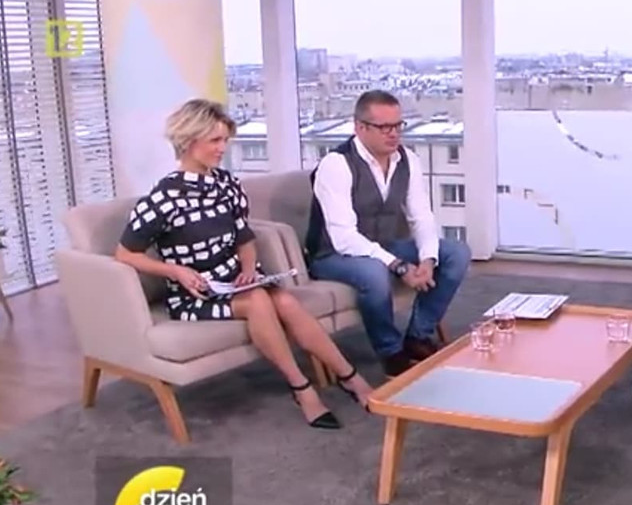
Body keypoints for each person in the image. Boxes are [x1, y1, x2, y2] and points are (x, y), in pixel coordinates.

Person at [115, 98, 376, 431]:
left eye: (225, 140)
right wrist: (176, 271)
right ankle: (301, 388)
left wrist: (249, 269)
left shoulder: (227, 184)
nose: (222, 148)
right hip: (195, 293)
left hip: (237, 279)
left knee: (284, 301)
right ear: (188, 141)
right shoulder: (162, 200)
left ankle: (350, 377)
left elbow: (244, 237)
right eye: (215, 140)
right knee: (258, 301)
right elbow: (125, 254)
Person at [306, 90, 471, 377]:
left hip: (382, 246)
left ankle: (418, 337)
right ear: (360, 127)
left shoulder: (407, 160)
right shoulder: (336, 165)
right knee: (374, 272)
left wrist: (427, 259)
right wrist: (399, 265)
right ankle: (391, 352)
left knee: (456, 253)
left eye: (397, 125)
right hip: (333, 255)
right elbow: (344, 237)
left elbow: (421, 216)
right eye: (384, 127)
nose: (393, 134)